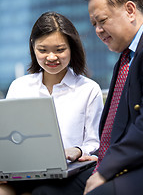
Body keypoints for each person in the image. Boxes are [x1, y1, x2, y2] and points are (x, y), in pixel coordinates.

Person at [32, 0, 143, 195]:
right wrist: (98, 157)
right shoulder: (126, 58)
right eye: (94, 25)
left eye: (102, 21)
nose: (98, 31)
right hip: (123, 162)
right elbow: (122, 127)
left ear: (130, 10)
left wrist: (105, 169)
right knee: (45, 190)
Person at [2, 11, 103, 194]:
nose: (51, 57)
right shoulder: (19, 86)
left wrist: (78, 151)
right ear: (33, 48)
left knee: (44, 191)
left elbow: (94, 142)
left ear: (72, 48)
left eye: (59, 50)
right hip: (24, 169)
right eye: (43, 50)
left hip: (69, 171)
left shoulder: (89, 89)